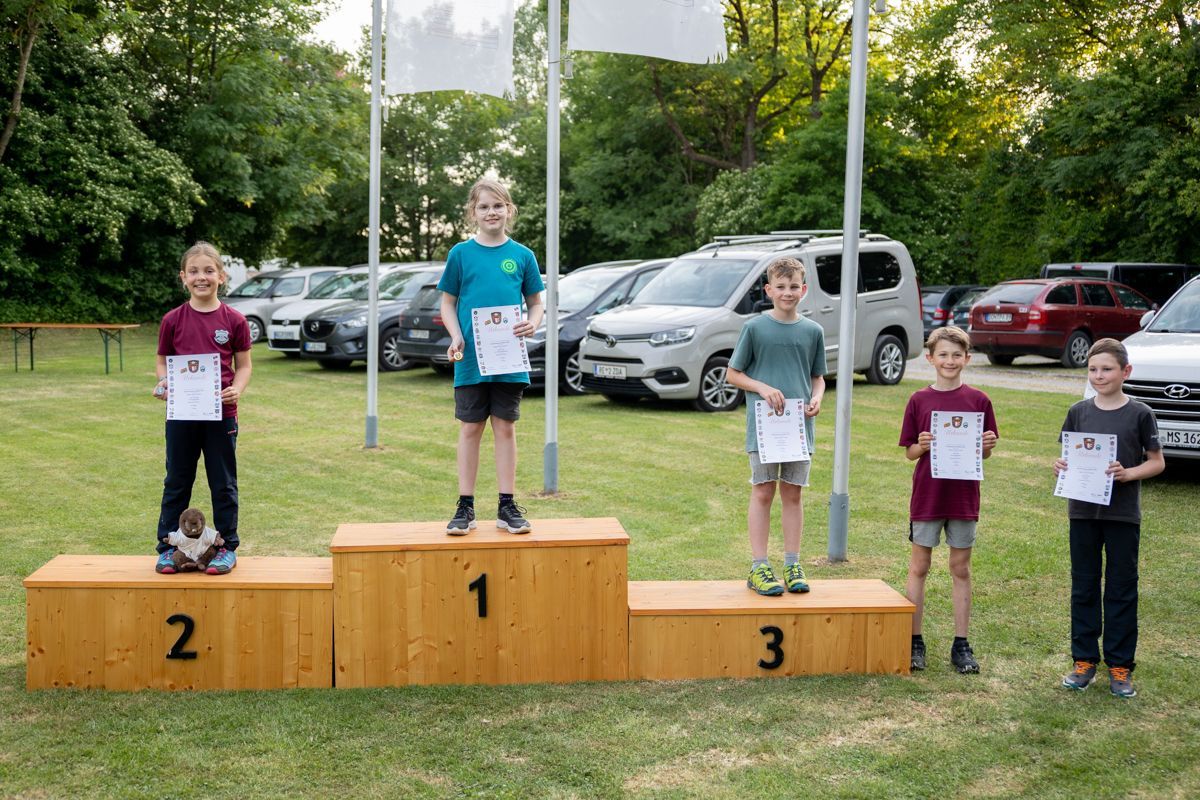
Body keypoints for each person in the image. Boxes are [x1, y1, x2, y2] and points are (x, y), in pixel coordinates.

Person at [1055, 338, 1164, 698]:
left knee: (1121, 588)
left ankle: (1120, 665)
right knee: (1084, 586)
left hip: (1122, 515)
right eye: (1093, 369)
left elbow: (1157, 462)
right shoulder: (1078, 411)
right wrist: (1061, 466)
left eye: (1107, 369)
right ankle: (1084, 660)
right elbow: (1069, 457)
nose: (1099, 376)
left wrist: (1128, 473)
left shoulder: (1140, 413)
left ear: (1125, 371)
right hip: (1083, 513)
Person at [438, 179, 545, 536]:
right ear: (473, 212)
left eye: (498, 205)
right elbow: (448, 303)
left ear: (509, 210)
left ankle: (506, 506)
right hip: (470, 358)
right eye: (484, 207)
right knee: (471, 428)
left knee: (505, 427)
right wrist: (456, 335)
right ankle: (465, 507)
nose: (491, 212)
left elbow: (536, 303)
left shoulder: (523, 255)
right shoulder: (460, 254)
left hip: (509, 358)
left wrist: (533, 323)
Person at [899, 326, 998, 674]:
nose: (950, 361)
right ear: (930, 359)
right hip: (928, 496)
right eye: (943, 354)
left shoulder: (979, 401)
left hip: (963, 497)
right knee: (919, 567)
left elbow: (983, 453)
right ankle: (914, 641)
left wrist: (986, 447)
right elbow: (909, 452)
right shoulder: (919, 400)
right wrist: (922, 445)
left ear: (967, 359)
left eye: (957, 355)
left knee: (960, 568)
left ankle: (961, 644)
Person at [725, 257, 826, 596]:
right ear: (769, 290)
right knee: (763, 491)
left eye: (794, 286)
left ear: (804, 289)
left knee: (793, 494)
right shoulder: (754, 328)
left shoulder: (813, 331)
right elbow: (733, 374)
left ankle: (793, 564)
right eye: (780, 287)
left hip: (798, 428)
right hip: (764, 429)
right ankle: (759, 566)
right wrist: (763, 388)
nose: (787, 292)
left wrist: (817, 398)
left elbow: (818, 377)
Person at [153, 241, 252, 574]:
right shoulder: (172, 320)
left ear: (221, 276)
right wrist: (165, 382)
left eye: (209, 271)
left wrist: (237, 389)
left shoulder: (234, 320)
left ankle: (226, 548)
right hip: (182, 415)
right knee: (176, 482)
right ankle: (170, 548)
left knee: (223, 484)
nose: (201, 277)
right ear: (183, 277)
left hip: (221, 416)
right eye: (193, 271)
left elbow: (244, 365)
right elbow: (163, 361)